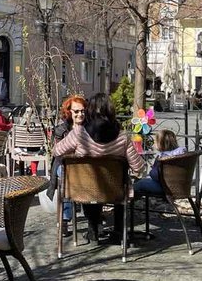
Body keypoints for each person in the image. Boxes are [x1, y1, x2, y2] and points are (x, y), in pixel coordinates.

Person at [52, 93, 143, 244]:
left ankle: (93, 230)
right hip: (114, 190)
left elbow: (56, 151)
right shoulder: (122, 137)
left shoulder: (79, 133)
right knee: (122, 182)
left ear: (89, 111)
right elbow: (137, 166)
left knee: (91, 182)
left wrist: (76, 152)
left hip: (84, 189)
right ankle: (119, 232)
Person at [49, 95, 87, 231]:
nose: (80, 114)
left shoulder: (90, 127)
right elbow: (58, 153)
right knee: (65, 173)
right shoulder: (61, 129)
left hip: (87, 166)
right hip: (66, 166)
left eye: (82, 111)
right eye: (76, 111)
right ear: (68, 112)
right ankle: (65, 217)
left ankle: (94, 217)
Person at [133, 129, 188, 198]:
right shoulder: (181, 154)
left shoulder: (163, 158)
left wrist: (151, 171)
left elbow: (155, 175)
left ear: (160, 143)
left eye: (155, 142)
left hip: (165, 188)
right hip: (181, 186)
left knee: (140, 183)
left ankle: (129, 204)